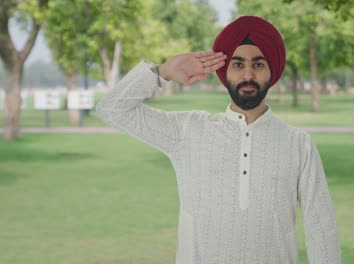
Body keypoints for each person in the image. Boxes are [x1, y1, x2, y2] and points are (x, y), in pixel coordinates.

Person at [96, 15, 341, 264]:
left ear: (272, 71)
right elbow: (112, 110)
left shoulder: (298, 144)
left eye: (258, 65)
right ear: (225, 71)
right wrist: (163, 72)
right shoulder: (188, 131)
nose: (248, 75)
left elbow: (322, 230)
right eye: (237, 65)